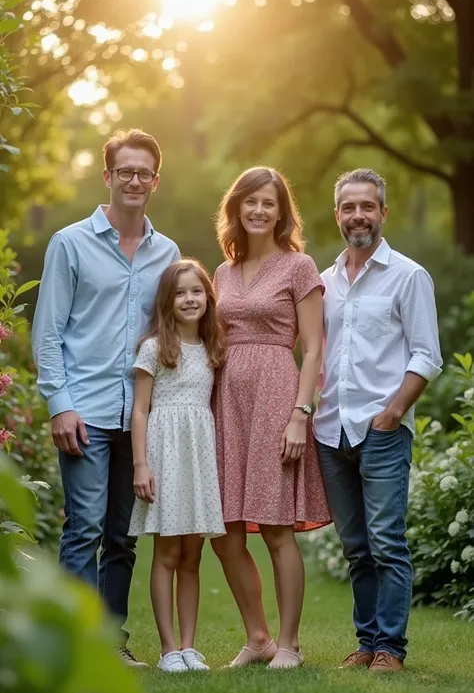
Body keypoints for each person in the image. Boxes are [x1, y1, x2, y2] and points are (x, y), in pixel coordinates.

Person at [32, 128, 180, 667]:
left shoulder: (168, 252)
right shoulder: (70, 243)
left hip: (139, 416)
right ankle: (74, 646)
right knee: (84, 529)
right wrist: (59, 404)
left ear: (155, 181)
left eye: (144, 172)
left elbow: (172, 330)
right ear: (108, 177)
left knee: (122, 536)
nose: (135, 180)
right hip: (85, 411)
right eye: (126, 171)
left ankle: (111, 646)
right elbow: (48, 332)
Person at [314, 168, 442, 673]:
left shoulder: (408, 276)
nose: (358, 215)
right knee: (355, 547)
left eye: (368, 206)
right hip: (331, 432)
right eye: (349, 207)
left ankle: (391, 648)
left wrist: (392, 413)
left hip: (382, 431)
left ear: (383, 213)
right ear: (338, 214)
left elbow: (426, 355)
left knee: (387, 541)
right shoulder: (323, 283)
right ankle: (367, 643)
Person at [212, 166, 331, 669]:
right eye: (251, 202)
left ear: (282, 212)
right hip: (225, 403)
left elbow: (314, 346)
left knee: (277, 525)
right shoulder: (221, 272)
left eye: (269, 203)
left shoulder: (299, 266)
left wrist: (300, 414)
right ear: (236, 207)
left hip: (276, 396)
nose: (259, 210)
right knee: (225, 531)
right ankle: (257, 637)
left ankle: (289, 644)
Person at [128, 258, 226, 673]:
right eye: (180, 293)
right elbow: (140, 412)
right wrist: (140, 465)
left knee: (192, 558)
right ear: (167, 301)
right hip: (164, 458)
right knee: (166, 554)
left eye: (196, 291)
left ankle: (189, 647)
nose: (189, 299)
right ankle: (168, 649)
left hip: (197, 459)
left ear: (208, 296)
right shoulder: (153, 348)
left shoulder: (211, 348)